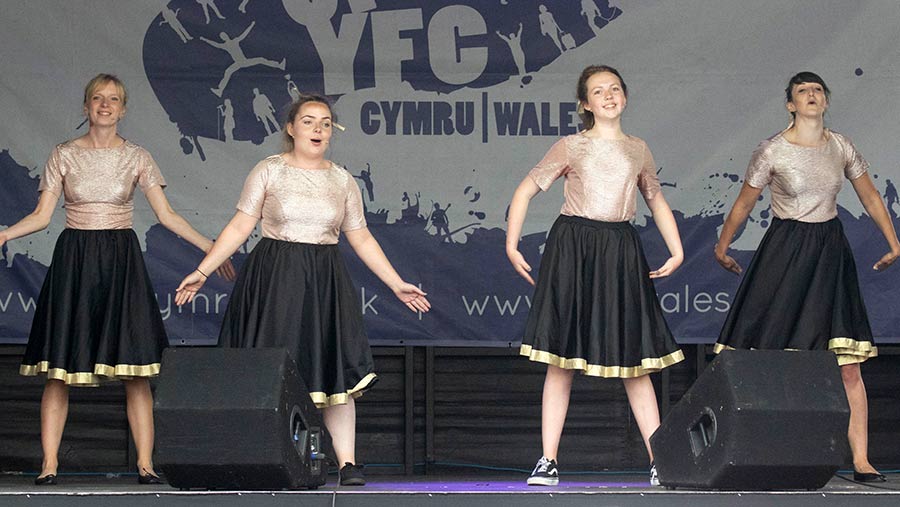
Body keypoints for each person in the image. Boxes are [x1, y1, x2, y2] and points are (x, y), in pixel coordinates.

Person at [174, 93, 430, 487]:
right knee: (271, 365)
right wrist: (203, 270)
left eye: (326, 123)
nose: (318, 129)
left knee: (333, 368)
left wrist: (396, 284)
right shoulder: (269, 170)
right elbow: (241, 225)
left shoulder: (342, 179)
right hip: (276, 276)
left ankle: (347, 463)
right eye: (309, 121)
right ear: (291, 128)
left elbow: (360, 237)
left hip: (324, 277)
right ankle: (263, 455)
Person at [1, 74, 235, 486]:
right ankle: (49, 464)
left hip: (121, 260)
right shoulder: (63, 155)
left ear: (123, 109)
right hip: (75, 258)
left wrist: (212, 250)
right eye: (97, 98)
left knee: (136, 370)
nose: (105, 105)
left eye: (113, 100)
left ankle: (145, 464)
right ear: (86, 106)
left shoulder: (137, 157)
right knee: (58, 369)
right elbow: (41, 216)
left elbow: (167, 216)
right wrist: (4, 233)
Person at [714, 71, 899, 483]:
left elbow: (869, 195)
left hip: (830, 252)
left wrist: (894, 241)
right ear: (790, 104)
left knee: (847, 364)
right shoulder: (772, 151)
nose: (811, 95)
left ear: (826, 101)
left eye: (817, 90)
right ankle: (759, 452)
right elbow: (745, 204)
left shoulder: (842, 146)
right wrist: (722, 245)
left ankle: (862, 460)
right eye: (803, 91)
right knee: (771, 357)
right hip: (786, 251)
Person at [506, 65, 685, 487]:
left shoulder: (638, 148)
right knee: (560, 360)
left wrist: (677, 249)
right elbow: (526, 189)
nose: (608, 96)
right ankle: (547, 460)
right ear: (585, 103)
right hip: (575, 246)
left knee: (635, 363)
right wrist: (511, 244)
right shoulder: (571, 146)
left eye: (615, 89)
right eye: (598, 91)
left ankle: (660, 460)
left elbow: (655, 199)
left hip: (620, 248)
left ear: (625, 96)